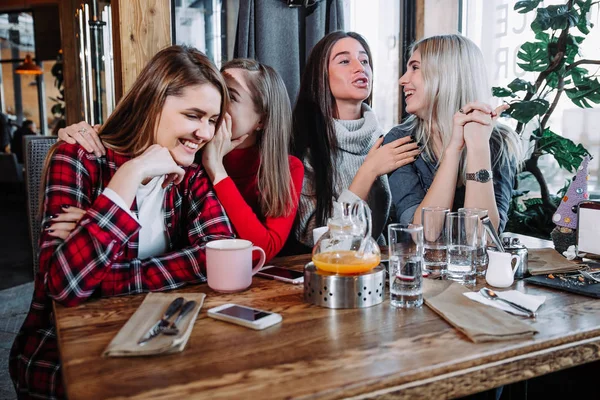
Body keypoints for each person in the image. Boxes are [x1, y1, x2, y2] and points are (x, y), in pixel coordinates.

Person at [9, 45, 235, 399]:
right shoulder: (80, 157)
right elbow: (65, 286)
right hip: (67, 355)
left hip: (158, 334)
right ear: (152, 103)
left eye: (211, 120)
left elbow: (218, 255)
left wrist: (102, 262)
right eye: (194, 115)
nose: (205, 133)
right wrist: (130, 175)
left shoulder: (189, 174)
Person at [56, 59, 304, 262]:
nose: (216, 100)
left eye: (230, 96)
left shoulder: (197, 162)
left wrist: (216, 169)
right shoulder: (184, 154)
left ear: (261, 120)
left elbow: (243, 253)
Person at [292, 31, 420, 250]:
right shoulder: (303, 147)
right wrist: (368, 172)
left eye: (364, 61)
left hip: (380, 267)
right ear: (320, 76)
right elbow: (320, 242)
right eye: (344, 61)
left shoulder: (389, 142)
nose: (360, 68)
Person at [384, 34, 521, 232]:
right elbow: (425, 234)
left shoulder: (498, 142)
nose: (402, 80)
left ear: (446, 74)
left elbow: (484, 237)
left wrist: (478, 147)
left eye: (414, 68)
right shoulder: (400, 140)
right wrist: (453, 150)